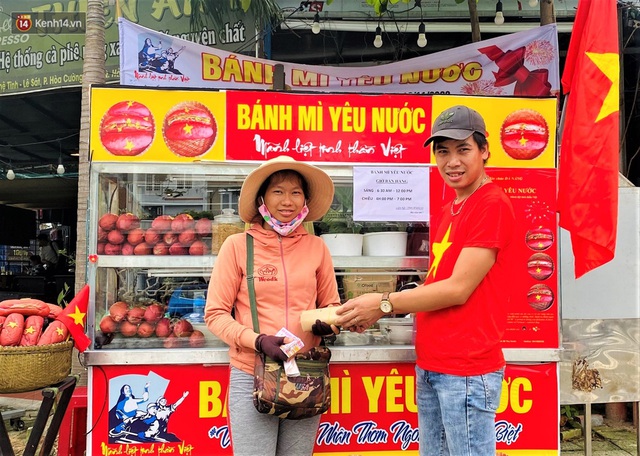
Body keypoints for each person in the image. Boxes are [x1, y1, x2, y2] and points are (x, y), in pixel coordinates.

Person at [335, 105, 516, 456]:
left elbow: (457, 290)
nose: (452, 161)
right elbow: (437, 282)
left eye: (463, 149)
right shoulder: (451, 208)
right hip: (433, 361)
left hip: (466, 367)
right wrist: (373, 309)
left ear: (485, 150)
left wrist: (385, 304)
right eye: (442, 151)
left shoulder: (491, 204)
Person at [205, 156, 341, 456]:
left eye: (295, 192)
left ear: (305, 200)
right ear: (262, 199)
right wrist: (258, 341)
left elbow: (331, 303)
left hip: (305, 372)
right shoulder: (238, 246)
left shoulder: (317, 248)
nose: (287, 201)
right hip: (251, 370)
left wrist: (327, 323)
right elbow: (214, 314)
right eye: (278, 191)